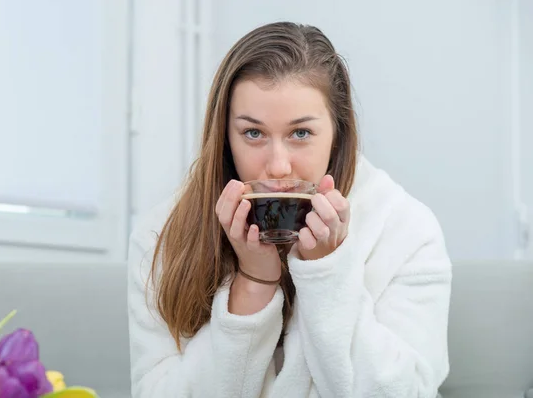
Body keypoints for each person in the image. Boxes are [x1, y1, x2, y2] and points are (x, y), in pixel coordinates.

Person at [127, 21, 452, 398]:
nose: (278, 166)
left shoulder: (406, 230)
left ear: (338, 134)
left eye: (301, 134)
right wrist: (254, 282)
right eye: (253, 133)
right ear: (225, 136)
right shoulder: (161, 237)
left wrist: (327, 272)